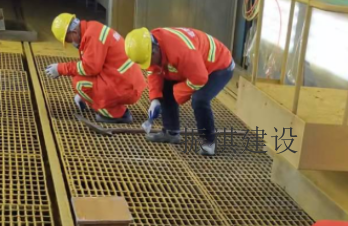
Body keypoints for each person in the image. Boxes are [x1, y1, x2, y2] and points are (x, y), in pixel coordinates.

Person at [124, 27, 235, 156]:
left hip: (219, 66)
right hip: (197, 65)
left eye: (148, 60)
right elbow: (154, 71)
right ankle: (171, 133)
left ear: (155, 50)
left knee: (200, 99)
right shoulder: (150, 45)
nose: (149, 64)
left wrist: (177, 92)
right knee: (164, 85)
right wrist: (155, 99)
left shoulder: (181, 52)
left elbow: (200, 78)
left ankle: (208, 142)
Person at [45, 13, 145, 123]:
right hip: (126, 80)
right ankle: (107, 105)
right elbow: (95, 66)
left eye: (69, 40)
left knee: (79, 83)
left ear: (74, 32)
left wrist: (61, 68)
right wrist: (84, 96)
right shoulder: (92, 29)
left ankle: (116, 114)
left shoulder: (91, 36)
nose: (71, 44)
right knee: (81, 79)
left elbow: (89, 68)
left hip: (126, 86)